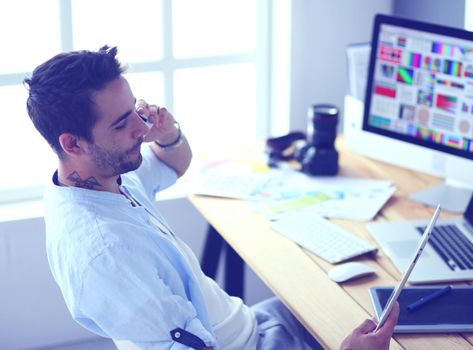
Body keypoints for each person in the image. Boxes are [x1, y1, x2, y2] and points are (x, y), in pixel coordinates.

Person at [24, 46, 399, 350]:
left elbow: (173, 164)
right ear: (72, 143)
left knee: (344, 305)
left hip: (252, 324)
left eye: (135, 110)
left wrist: (168, 133)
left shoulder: (98, 174)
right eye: (122, 123)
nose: (141, 128)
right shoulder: (106, 254)